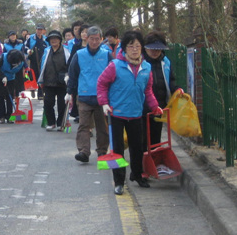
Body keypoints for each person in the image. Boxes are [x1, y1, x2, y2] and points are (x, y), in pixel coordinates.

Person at [97, 30, 163, 195]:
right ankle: (119, 182)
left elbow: (148, 90)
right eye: (131, 46)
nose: (134, 49)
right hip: (116, 114)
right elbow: (102, 84)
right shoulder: (115, 66)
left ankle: (137, 175)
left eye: (138, 46)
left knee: (137, 147)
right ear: (124, 48)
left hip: (136, 114)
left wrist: (155, 106)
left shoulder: (146, 67)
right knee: (117, 150)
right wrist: (104, 103)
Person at [65, 26, 114, 163]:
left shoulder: (106, 55)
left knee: (102, 127)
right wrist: (69, 92)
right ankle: (84, 151)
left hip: (102, 98)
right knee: (84, 125)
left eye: (97, 39)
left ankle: (102, 151)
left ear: (101, 39)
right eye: (92, 39)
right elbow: (73, 75)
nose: (94, 42)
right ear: (86, 39)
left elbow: (113, 76)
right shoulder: (79, 55)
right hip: (84, 95)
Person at [142, 31, 183, 151]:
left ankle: (155, 159)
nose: (155, 52)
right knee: (142, 140)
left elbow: (171, 80)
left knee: (155, 139)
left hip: (159, 106)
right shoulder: (140, 62)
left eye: (158, 49)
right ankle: (142, 160)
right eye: (152, 49)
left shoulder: (166, 62)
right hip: (142, 107)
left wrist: (177, 89)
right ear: (146, 48)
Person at [38, 30, 71, 131]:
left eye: (56, 38)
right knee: (48, 103)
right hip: (48, 81)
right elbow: (43, 65)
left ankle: (61, 123)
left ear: (60, 40)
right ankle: (51, 122)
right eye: (51, 39)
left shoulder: (66, 51)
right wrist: (41, 80)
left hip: (62, 82)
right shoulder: (47, 51)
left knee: (62, 104)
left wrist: (69, 77)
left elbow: (70, 65)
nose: (53, 40)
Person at [0, 49, 26, 123]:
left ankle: (9, 116)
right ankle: (2, 116)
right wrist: (3, 76)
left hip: (11, 78)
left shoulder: (21, 62)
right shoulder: (4, 57)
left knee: (10, 96)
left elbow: (19, 75)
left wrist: (19, 88)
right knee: (0, 96)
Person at [25, 24, 48, 100]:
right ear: (36, 30)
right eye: (38, 29)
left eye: (41, 30)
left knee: (41, 76)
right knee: (33, 75)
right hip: (33, 60)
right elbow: (25, 46)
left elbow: (49, 47)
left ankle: (40, 93)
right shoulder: (31, 38)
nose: (39, 31)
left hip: (42, 60)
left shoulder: (45, 39)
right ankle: (32, 89)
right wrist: (28, 51)